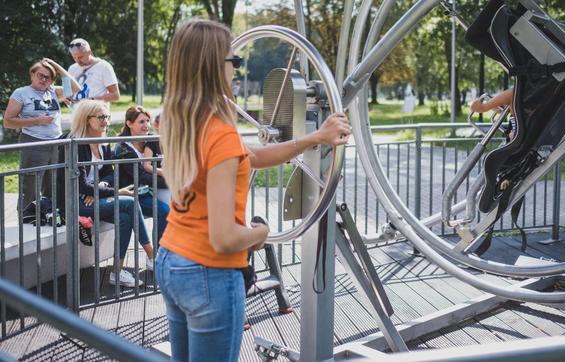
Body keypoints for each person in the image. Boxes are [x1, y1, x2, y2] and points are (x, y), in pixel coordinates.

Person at [156, 18, 352, 362]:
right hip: (210, 271)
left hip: (172, 260)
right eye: (235, 62)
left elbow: (252, 157)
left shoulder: (181, 122)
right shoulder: (220, 132)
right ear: (216, 67)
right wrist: (261, 232)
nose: (236, 69)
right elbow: (225, 238)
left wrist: (316, 137)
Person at [65, 100, 155, 287]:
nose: (105, 121)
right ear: (86, 119)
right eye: (101, 117)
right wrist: (113, 191)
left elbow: (110, 173)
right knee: (129, 203)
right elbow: (80, 185)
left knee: (124, 217)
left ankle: (117, 272)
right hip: (75, 203)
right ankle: (153, 254)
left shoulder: (103, 144)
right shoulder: (74, 143)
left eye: (106, 116)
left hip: (95, 198)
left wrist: (99, 187)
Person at [3, 59, 81, 211]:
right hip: (34, 142)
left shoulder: (53, 91)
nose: (44, 80)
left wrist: (56, 66)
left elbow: (75, 87)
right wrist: (37, 120)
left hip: (56, 143)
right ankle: (26, 216)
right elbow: (8, 122)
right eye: (40, 75)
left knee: (52, 182)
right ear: (32, 75)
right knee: (31, 183)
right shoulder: (21, 93)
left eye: (49, 77)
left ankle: (48, 213)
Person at [113, 106, 170, 243]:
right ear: (129, 123)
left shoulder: (151, 140)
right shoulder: (123, 148)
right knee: (163, 211)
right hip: (133, 193)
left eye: (148, 121)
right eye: (141, 122)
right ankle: (157, 254)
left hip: (150, 190)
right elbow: (140, 176)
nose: (146, 126)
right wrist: (171, 181)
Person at [67, 38, 120, 104]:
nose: (78, 61)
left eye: (80, 57)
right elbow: (67, 93)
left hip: (98, 113)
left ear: (89, 52)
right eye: (74, 57)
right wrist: (67, 99)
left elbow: (115, 95)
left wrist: (90, 101)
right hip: (77, 113)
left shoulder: (104, 66)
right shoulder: (71, 68)